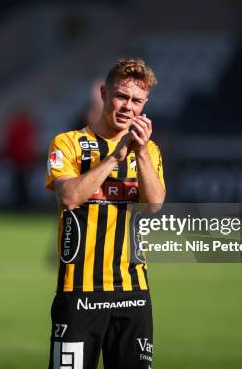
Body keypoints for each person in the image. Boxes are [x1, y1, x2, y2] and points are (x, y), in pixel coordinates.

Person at [45, 58, 165, 369]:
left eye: (137, 101)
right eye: (121, 96)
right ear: (103, 93)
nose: (128, 107)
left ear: (145, 104)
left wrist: (139, 152)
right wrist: (114, 159)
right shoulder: (68, 143)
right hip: (79, 293)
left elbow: (153, 206)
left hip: (133, 292)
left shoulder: (149, 151)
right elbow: (69, 197)